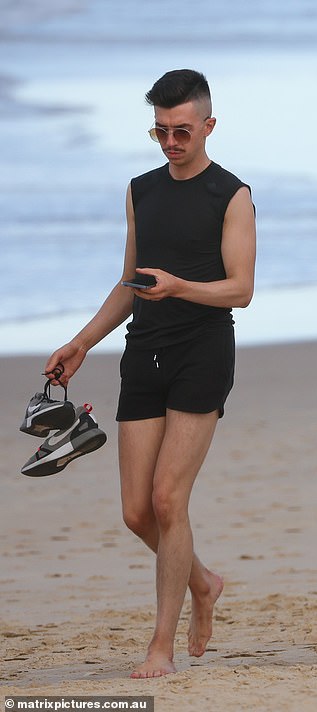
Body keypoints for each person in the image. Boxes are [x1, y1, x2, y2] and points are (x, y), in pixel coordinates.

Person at [44, 69, 256, 677]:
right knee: (137, 511)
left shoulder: (232, 195)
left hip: (203, 352)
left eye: (182, 131)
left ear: (208, 126)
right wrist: (82, 341)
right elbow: (130, 280)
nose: (170, 142)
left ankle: (160, 647)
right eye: (160, 131)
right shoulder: (141, 190)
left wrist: (180, 287)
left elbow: (241, 290)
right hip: (145, 350)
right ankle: (204, 582)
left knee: (168, 499)